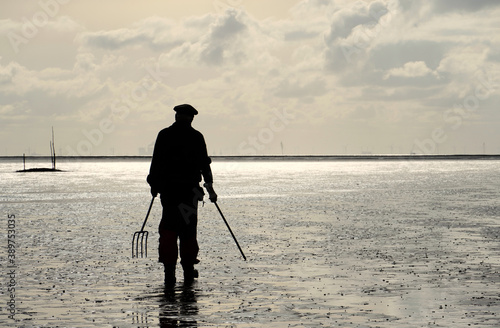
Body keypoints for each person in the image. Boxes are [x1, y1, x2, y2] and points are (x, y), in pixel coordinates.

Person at [147, 104, 217, 286]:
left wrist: (153, 185)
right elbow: (205, 165)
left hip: (169, 193)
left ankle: (169, 272)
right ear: (191, 118)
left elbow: (156, 162)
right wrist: (210, 189)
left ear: (176, 116)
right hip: (189, 194)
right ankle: (187, 269)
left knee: (169, 229)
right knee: (187, 230)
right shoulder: (196, 137)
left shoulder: (164, 135)